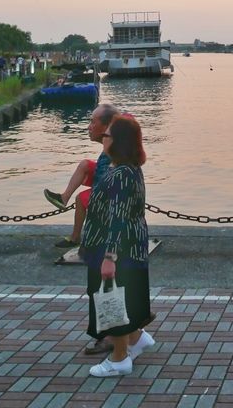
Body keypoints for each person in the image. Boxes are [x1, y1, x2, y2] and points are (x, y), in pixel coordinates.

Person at [81, 114, 155, 377]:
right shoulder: (126, 169)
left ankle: (120, 358)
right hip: (128, 246)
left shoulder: (122, 174)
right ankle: (136, 338)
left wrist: (109, 256)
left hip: (115, 250)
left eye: (107, 135)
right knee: (120, 300)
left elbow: (119, 217)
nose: (103, 138)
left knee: (112, 302)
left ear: (118, 141)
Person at [44, 103, 120, 252]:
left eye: (93, 122)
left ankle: (75, 237)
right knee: (85, 164)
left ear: (107, 126)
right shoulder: (110, 141)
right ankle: (64, 198)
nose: (89, 127)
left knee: (81, 198)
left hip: (112, 189)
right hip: (103, 179)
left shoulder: (115, 145)